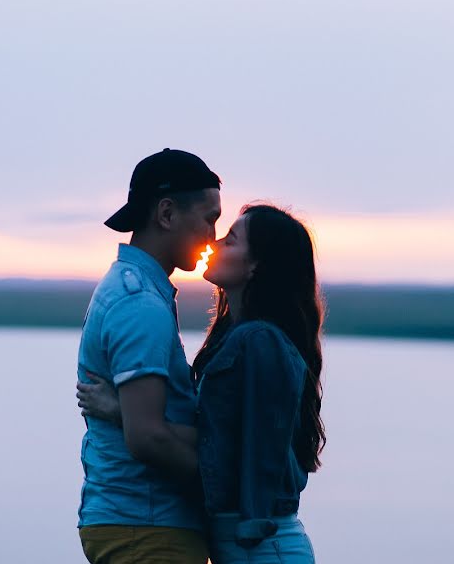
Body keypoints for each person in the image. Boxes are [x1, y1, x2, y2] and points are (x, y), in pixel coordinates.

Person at [79, 203, 326, 563]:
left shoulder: (259, 341)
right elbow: (219, 436)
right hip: (242, 547)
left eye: (231, 239)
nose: (215, 242)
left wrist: (125, 415)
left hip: (262, 546)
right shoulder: (234, 337)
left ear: (256, 264)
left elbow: (247, 452)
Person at [76, 148, 222, 564]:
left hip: (141, 524)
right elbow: (149, 437)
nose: (213, 236)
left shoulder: (138, 290)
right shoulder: (140, 303)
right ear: (166, 214)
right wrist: (224, 486)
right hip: (147, 527)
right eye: (209, 218)